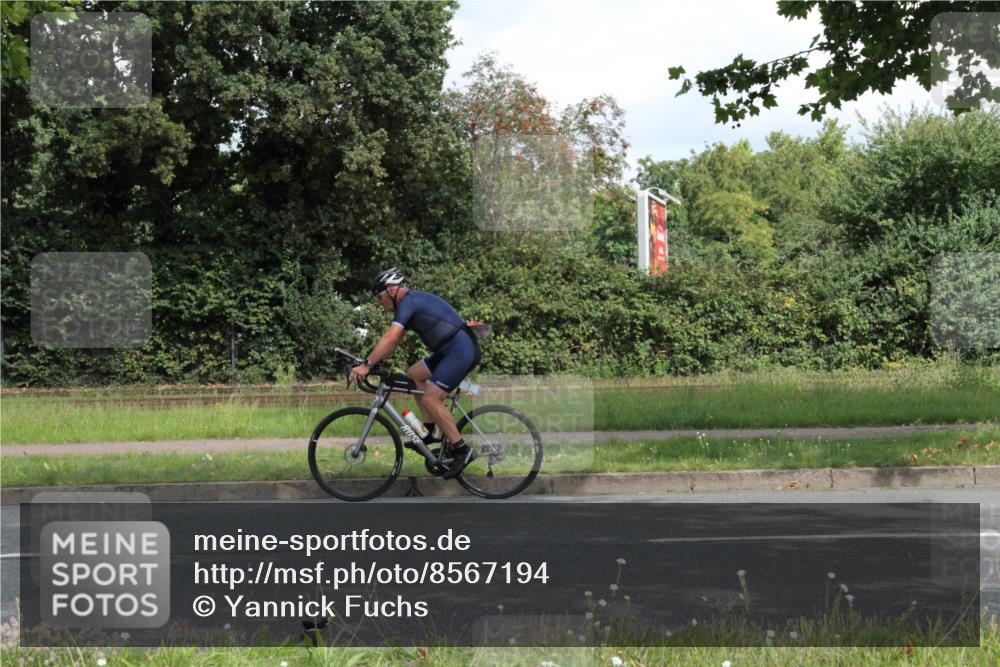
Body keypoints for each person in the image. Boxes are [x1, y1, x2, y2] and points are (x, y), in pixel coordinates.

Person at [349, 267, 481, 479]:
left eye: (379, 296)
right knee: (414, 375)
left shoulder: (408, 302)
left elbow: (391, 338)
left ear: (392, 290)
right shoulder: (409, 303)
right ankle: (431, 432)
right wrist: (371, 361)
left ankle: (462, 450)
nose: (379, 302)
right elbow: (393, 342)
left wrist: (367, 366)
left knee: (431, 398)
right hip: (447, 348)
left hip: (459, 349)